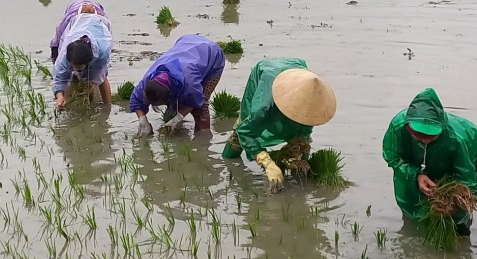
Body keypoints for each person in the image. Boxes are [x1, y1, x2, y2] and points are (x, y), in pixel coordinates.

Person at [381, 88, 477, 236]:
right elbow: (393, 157)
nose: (424, 139)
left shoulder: (458, 138)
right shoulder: (398, 126)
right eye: (418, 135)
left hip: (470, 163)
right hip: (414, 165)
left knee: (456, 224)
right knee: (412, 217)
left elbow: (467, 177)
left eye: (431, 136)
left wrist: (452, 202)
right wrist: (416, 175)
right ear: (408, 127)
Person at [222, 59, 337, 192]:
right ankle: (227, 163)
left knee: (301, 140)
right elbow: (245, 132)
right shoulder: (264, 108)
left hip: (298, 76)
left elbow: (304, 133)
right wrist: (267, 162)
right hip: (266, 74)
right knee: (243, 130)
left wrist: (299, 156)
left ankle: (300, 179)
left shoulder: (312, 100)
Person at [130, 34, 225, 135]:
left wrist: (177, 119)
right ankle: (177, 130)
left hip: (212, 55)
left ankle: (203, 137)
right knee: (175, 105)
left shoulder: (189, 82)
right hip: (186, 43)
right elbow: (136, 99)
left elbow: (195, 100)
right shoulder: (148, 80)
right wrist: (143, 120)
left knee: (201, 107)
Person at [52, 3, 113, 109]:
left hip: (98, 22)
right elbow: (59, 78)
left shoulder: (102, 52)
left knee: (102, 77)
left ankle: (108, 107)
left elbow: (99, 76)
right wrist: (59, 95)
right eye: (73, 66)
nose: (75, 69)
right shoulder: (66, 53)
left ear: (89, 61)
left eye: (79, 67)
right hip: (75, 20)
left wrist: (89, 84)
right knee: (70, 76)